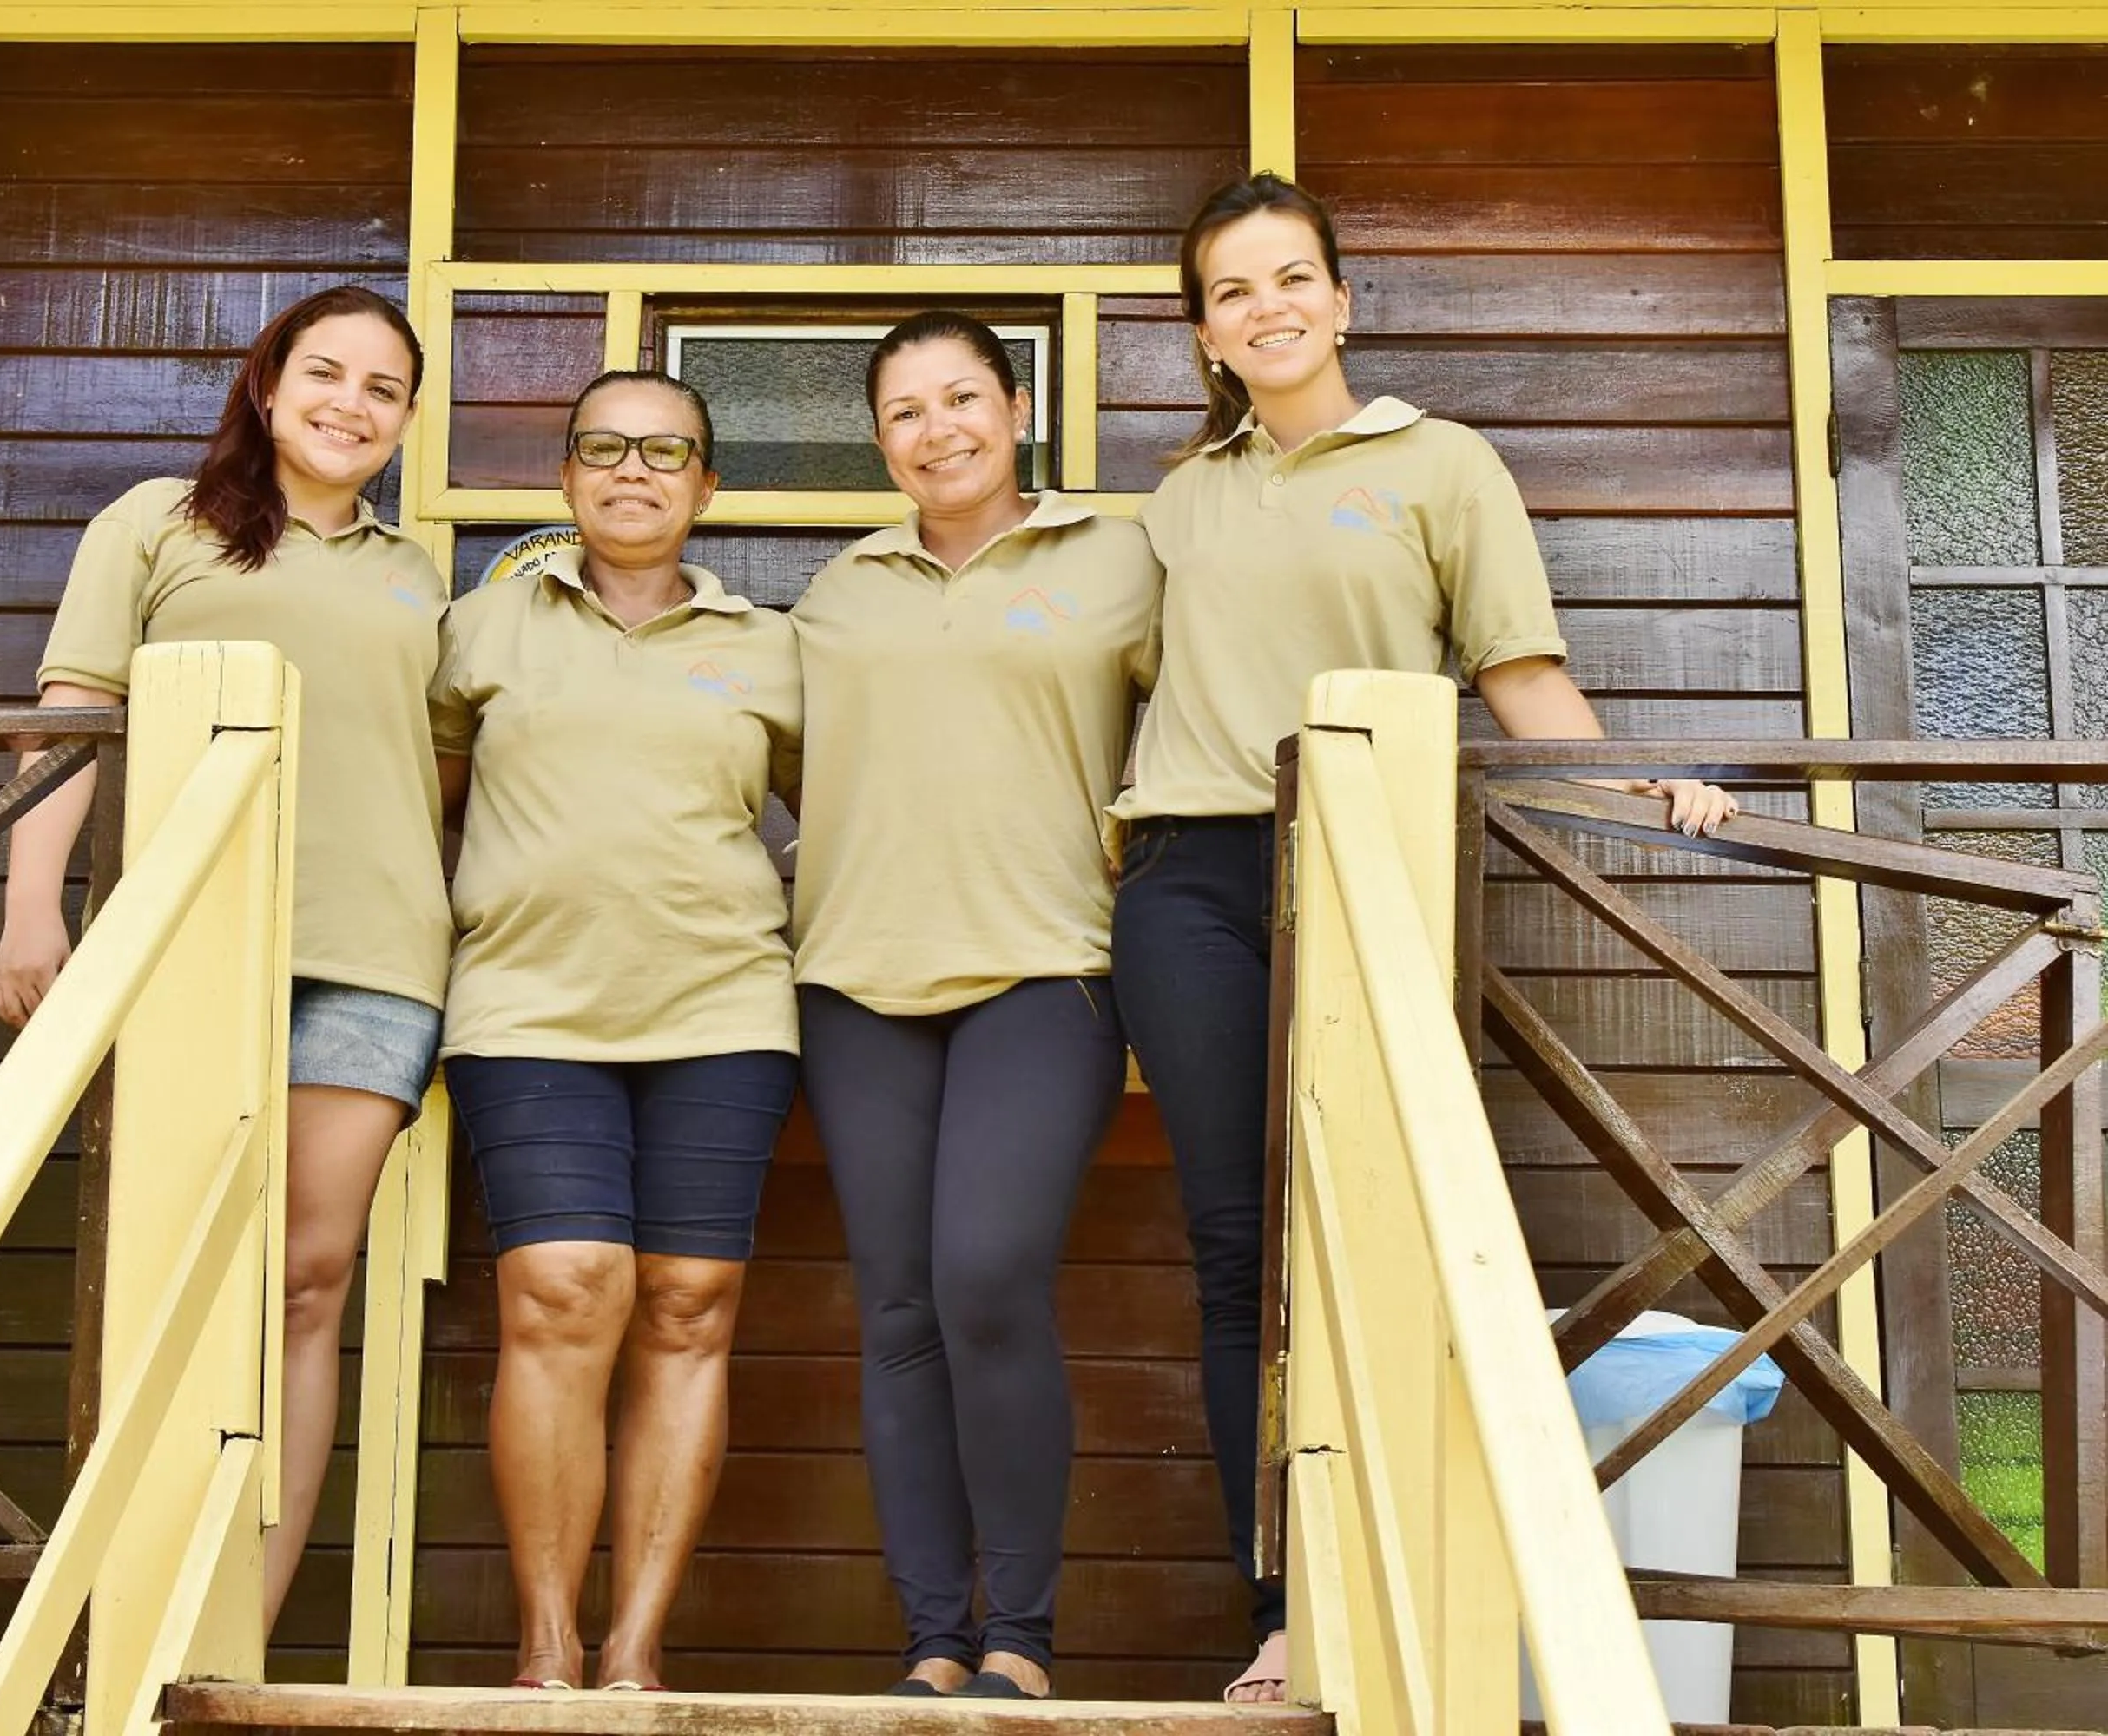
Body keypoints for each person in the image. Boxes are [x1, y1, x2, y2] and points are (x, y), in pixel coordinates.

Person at [1110, 173, 1740, 1706]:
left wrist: (1632, 786)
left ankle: (1407, 1602)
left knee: (1378, 1234)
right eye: (1232, 293)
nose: (1266, 310)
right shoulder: (1180, 501)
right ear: (1203, 333)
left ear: (1342, 298)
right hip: (1192, 879)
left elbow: (1517, 677)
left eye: (1291, 279)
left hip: (1375, 866)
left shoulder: (1444, 465)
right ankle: (1283, 1605)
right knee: (1233, 1248)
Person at [0, 286, 450, 1632]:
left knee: (310, 1282)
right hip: (186, 944)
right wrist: (34, 906)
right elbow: (74, 717)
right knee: (166, 1274)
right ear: (267, 383)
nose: (350, 404)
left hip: (373, 957)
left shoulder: (414, 572)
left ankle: (236, 1626)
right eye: (326, 373)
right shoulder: (156, 521)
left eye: (383, 388)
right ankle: (138, 1610)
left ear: (407, 421)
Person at [789, 311, 1163, 1701]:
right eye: (905, 411)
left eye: (963, 399)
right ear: (879, 441)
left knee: (988, 1280)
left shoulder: (1120, 560)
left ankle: (1023, 1640)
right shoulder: (836, 596)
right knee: (897, 1309)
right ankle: (936, 1645)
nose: (938, 429)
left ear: (1016, 408)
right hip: (852, 980)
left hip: (1044, 966)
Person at [431, 370, 804, 1693]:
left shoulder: (774, 645)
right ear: (568, 475)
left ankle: (637, 1651)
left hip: (724, 1011)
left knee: (692, 1306)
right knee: (562, 1288)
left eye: (667, 451)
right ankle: (548, 1649)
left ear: (708, 487)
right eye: (604, 447)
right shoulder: (482, 631)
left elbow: (852, 811)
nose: (633, 470)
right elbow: (418, 796)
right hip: (528, 1005)